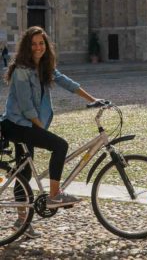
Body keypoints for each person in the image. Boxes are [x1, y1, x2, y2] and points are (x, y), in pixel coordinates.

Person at [0, 26, 100, 238]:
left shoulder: (44, 67)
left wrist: (92, 99)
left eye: (41, 43)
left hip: (26, 125)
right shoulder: (21, 70)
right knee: (59, 145)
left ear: (46, 45)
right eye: (34, 44)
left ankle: (21, 222)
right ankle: (55, 195)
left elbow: (65, 82)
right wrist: (40, 130)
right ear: (27, 47)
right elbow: (27, 107)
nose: (38, 47)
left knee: (23, 173)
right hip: (18, 125)